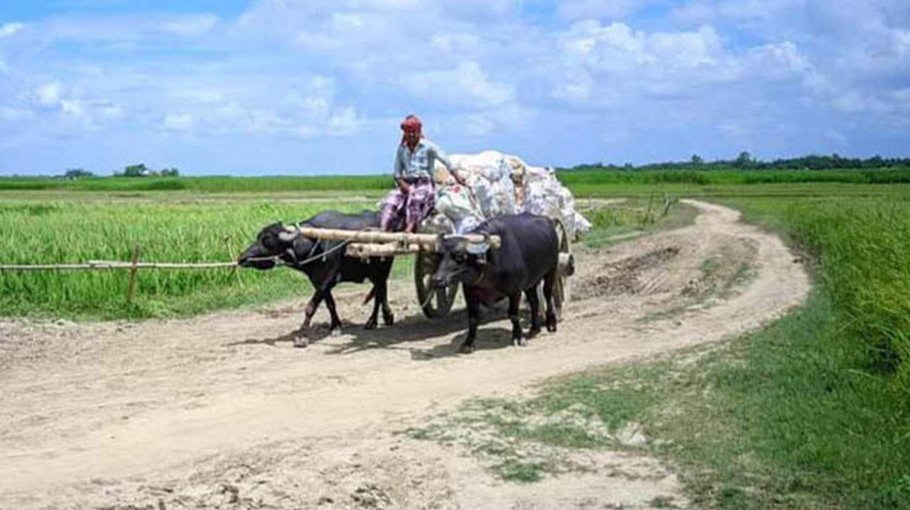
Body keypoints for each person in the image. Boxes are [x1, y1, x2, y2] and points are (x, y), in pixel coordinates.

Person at [380, 114, 463, 233]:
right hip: (407, 183)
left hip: (424, 183)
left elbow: (446, 160)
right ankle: (384, 230)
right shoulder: (401, 149)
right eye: (408, 132)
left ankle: (410, 229)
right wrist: (403, 184)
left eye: (414, 132)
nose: (411, 135)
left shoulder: (429, 147)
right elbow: (397, 173)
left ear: (419, 132)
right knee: (391, 201)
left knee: (415, 199)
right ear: (405, 133)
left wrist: (457, 177)